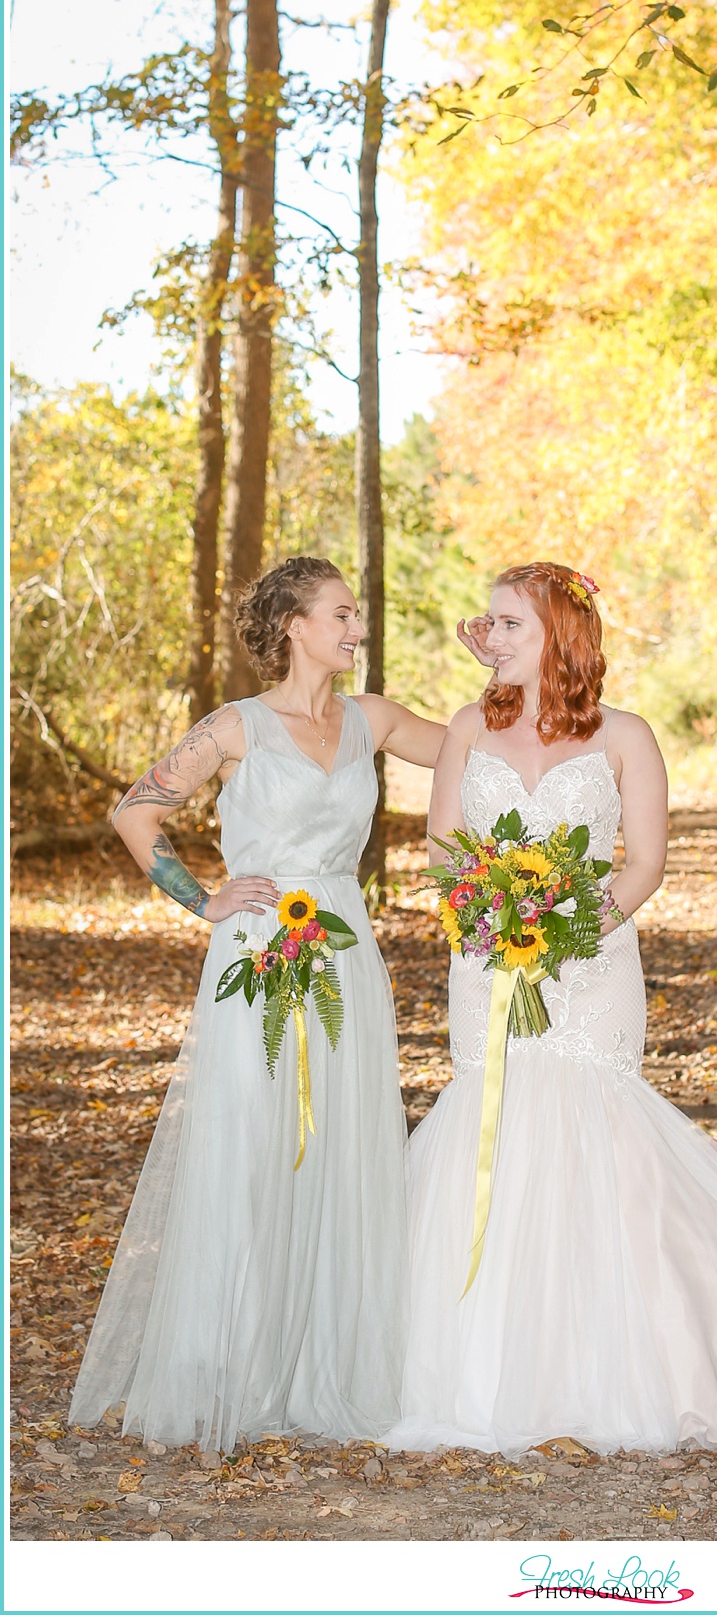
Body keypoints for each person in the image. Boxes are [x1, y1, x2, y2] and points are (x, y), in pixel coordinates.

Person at [388, 561, 717, 1457]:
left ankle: (636, 1367)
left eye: (510, 623)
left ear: (560, 633)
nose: (491, 635)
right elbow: (442, 850)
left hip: (592, 964)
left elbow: (644, 864)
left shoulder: (626, 734)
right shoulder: (472, 724)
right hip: (482, 963)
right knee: (492, 1127)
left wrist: (563, 934)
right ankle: (483, 1371)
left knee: (599, 1135)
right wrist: (492, 923)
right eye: (490, 624)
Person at [70, 556, 446, 1450]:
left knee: (346, 1145)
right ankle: (231, 1360)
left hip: (345, 946)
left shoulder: (375, 719)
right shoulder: (234, 727)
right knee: (252, 1139)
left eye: (356, 614)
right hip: (257, 950)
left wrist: (506, 661)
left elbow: (480, 741)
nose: (357, 627)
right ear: (294, 625)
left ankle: (330, 1362)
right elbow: (136, 812)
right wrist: (203, 900)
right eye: (343, 613)